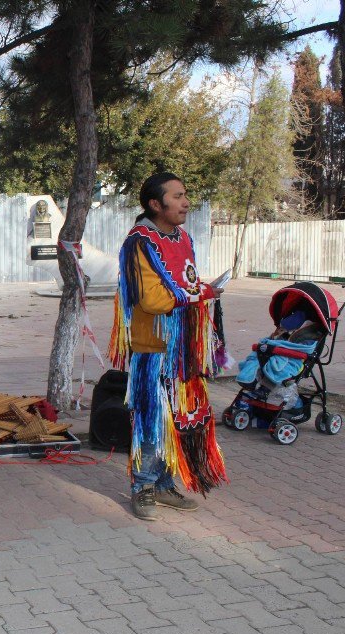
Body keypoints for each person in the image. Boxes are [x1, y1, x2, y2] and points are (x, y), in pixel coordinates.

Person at [108, 172, 229, 521]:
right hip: (155, 345)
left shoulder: (182, 238)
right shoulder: (140, 242)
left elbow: (183, 283)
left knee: (176, 417)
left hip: (183, 346)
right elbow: (152, 298)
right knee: (151, 417)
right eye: (177, 196)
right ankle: (143, 487)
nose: (186, 202)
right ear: (155, 204)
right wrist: (202, 292)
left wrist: (202, 290)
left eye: (185, 195)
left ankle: (163, 483)